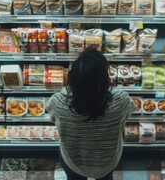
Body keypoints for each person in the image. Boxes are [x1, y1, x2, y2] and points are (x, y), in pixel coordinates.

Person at [46, 48, 135, 180]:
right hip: (107, 162)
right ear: (104, 79)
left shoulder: (58, 102)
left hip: (73, 161)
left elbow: (52, 116)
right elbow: (130, 111)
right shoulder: (121, 101)